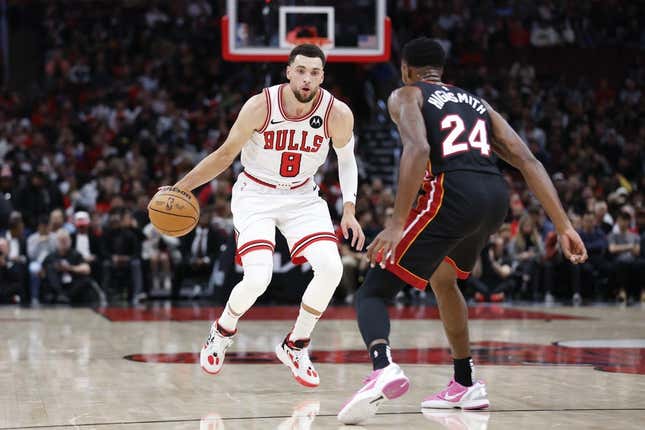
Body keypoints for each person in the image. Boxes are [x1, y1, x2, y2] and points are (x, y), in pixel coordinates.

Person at [337, 37, 587, 424]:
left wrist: (396, 224)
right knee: (444, 279)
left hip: (453, 193)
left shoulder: (405, 95)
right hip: (494, 197)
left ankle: (382, 366)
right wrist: (564, 224)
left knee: (373, 290)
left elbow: (418, 148)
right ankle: (465, 382)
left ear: (406, 70)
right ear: (442, 72)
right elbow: (527, 159)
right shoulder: (476, 102)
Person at [173, 44, 365, 387]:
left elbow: (347, 161)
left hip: (303, 196)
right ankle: (221, 331)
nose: (307, 79)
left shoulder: (338, 113)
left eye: (315, 73)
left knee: (332, 268)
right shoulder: (260, 106)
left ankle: (296, 344)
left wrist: (349, 209)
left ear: (323, 76)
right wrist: (181, 187)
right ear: (288, 71)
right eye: (301, 71)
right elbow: (225, 154)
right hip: (256, 194)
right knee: (258, 277)